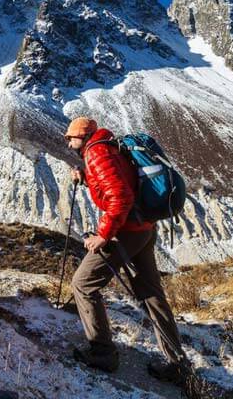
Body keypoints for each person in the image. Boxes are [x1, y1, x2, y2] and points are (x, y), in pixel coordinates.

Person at [65, 116, 188, 383]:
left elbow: (120, 196)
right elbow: (123, 178)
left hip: (126, 233)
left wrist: (102, 235)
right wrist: (86, 176)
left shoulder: (97, 154)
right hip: (144, 228)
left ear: (83, 137)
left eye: (71, 137)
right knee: (151, 295)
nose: (69, 141)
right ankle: (177, 364)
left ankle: (102, 353)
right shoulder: (108, 146)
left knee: (83, 284)